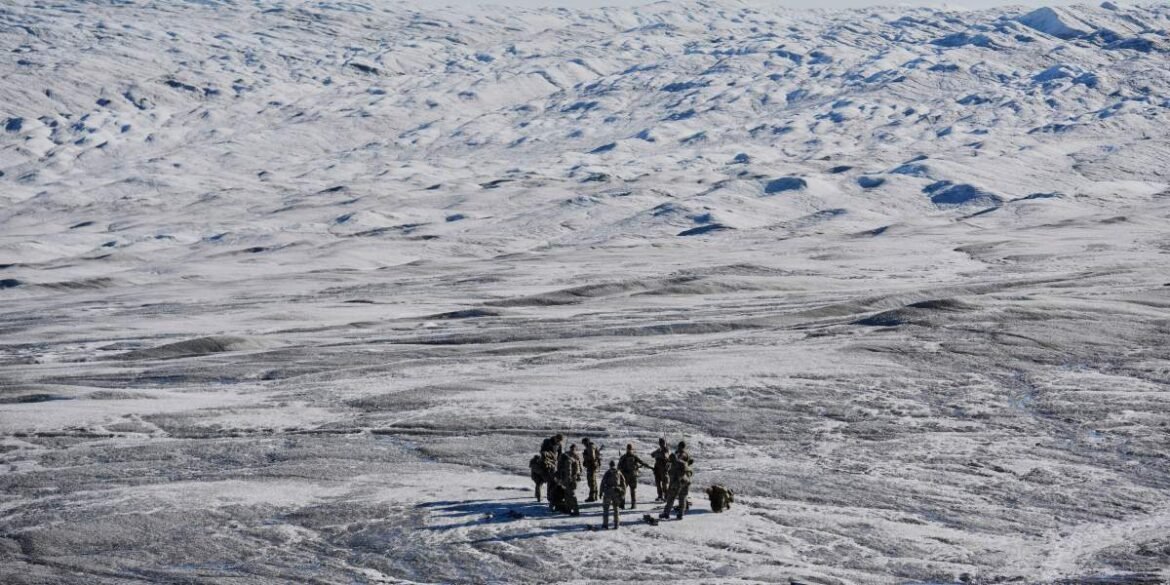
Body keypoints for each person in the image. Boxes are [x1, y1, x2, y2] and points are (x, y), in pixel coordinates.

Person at [660, 441, 694, 521]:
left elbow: (674, 472)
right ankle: (680, 515)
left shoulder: (681, 457)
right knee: (682, 498)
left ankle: (666, 513)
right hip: (686, 481)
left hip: (678, 482)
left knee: (671, 497)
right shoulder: (683, 460)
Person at [618, 443, 651, 509]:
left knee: (624, 490)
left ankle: (622, 505)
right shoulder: (634, 456)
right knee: (631, 490)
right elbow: (641, 462)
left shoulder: (624, 457)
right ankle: (632, 505)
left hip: (626, 476)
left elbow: (618, 467)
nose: (629, 450)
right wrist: (646, 465)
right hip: (632, 476)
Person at [600, 460, 627, 530]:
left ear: (610, 465)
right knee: (616, 509)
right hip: (616, 492)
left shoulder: (607, 472)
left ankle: (605, 525)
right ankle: (616, 524)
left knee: (606, 509)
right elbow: (623, 483)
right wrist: (623, 492)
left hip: (608, 492)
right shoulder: (619, 472)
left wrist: (600, 492)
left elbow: (603, 483)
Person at [557, 443, 583, 515]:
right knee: (567, 495)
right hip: (569, 479)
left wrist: (567, 481)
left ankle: (576, 511)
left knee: (571, 494)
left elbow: (569, 471)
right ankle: (568, 509)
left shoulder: (568, 461)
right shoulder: (571, 458)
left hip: (569, 480)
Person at [650, 437, 671, 502]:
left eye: (662, 443)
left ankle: (666, 496)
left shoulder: (666, 450)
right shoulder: (658, 450)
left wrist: (665, 451)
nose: (661, 444)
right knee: (658, 483)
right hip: (657, 469)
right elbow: (652, 455)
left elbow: (668, 458)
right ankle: (660, 496)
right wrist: (657, 453)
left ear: (664, 443)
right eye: (660, 443)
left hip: (664, 470)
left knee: (664, 484)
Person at [582, 438, 602, 502]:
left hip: (591, 466)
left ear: (586, 442)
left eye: (584, 443)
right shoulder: (592, 446)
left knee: (591, 482)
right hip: (593, 466)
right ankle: (595, 496)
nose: (584, 445)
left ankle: (592, 497)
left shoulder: (590, 447)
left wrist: (585, 456)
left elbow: (592, 457)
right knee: (593, 481)